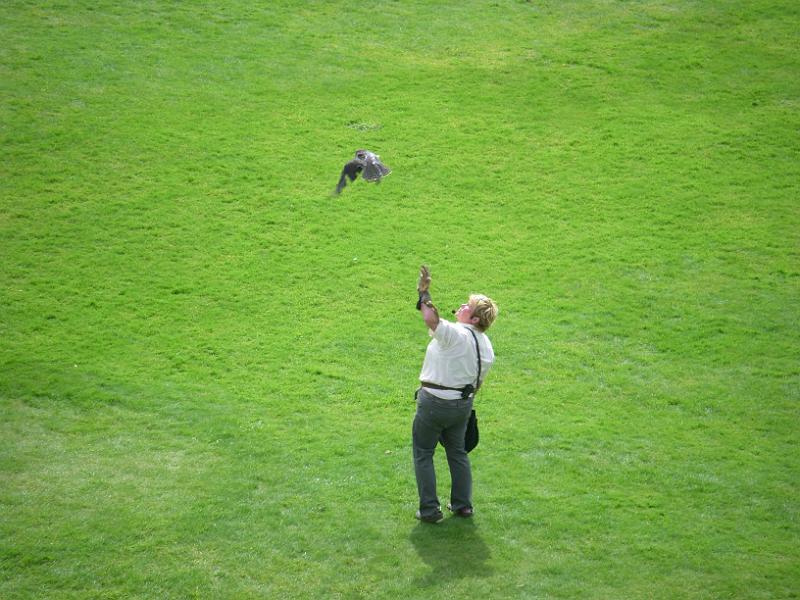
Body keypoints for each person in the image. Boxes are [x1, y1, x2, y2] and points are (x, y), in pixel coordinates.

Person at [412, 265, 498, 523]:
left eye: (467, 306)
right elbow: (478, 383)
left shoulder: (455, 334)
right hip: (462, 406)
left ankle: (429, 511)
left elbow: (430, 318)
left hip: (433, 403)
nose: (461, 305)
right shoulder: (487, 348)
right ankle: (462, 506)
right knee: (457, 453)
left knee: (423, 452)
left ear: (474, 319)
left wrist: (424, 293)